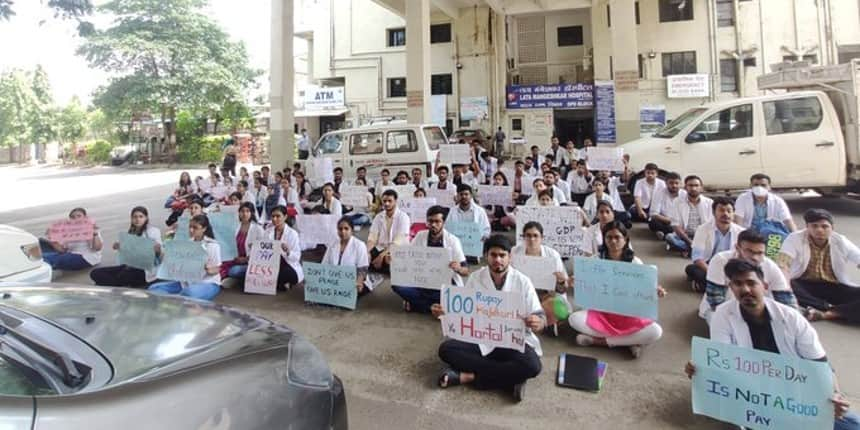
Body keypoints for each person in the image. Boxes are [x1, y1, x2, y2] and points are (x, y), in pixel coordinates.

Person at [684, 259, 859, 430]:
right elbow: (722, 362)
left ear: (765, 286)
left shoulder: (791, 318)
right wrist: (702, 371)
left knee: (852, 424)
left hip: (794, 394)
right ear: (731, 288)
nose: (745, 289)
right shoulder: (722, 315)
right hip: (751, 394)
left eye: (751, 283)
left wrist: (835, 395)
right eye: (737, 284)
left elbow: (820, 364)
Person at [435, 235, 545, 402]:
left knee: (533, 366)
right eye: (493, 255)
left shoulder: (523, 282)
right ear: (486, 256)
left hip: (511, 341)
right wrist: (445, 313)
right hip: (481, 338)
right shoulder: (476, 278)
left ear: (510, 257)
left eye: (502, 255)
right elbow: (464, 312)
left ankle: (470, 377)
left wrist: (538, 322)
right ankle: (510, 380)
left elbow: (539, 315)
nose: (498, 260)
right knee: (446, 350)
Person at [568, 221, 667, 358]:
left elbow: (645, 291)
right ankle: (629, 342)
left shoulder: (635, 262)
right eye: (609, 237)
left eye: (617, 237)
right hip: (601, 313)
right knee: (574, 319)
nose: (613, 241)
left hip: (628, 315)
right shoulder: (594, 261)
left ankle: (599, 342)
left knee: (656, 331)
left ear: (625, 240)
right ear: (604, 239)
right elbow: (586, 288)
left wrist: (655, 292)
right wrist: (576, 283)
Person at [777, 209, 860, 324]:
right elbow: (783, 264)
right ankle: (837, 310)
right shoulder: (794, 238)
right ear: (807, 227)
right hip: (803, 285)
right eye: (814, 226)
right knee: (785, 284)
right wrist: (786, 287)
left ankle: (825, 314)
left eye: (824, 226)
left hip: (833, 286)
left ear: (832, 228)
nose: (819, 230)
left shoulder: (841, 241)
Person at [698, 229, 798, 322]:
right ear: (737, 248)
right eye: (749, 251)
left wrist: (793, 321)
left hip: (755, 310)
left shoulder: (770, 266)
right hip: (718, 309)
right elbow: (715, 300)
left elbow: (786, 299)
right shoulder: (720, 260)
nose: (755, 257)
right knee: (728, 331)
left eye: (760, 253)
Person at [392, 205, 469, 313]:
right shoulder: (420, 236)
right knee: (397, 285)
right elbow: (409, 258)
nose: (433, 225)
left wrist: (458, 268)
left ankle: (417, 305)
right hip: (422, 282)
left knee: (453, 297)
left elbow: (466, 271)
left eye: (437, 221)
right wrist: (395, 259)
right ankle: (431, 308)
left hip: (443, 286)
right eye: (430, 221)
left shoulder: (453, 241)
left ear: (443, 222)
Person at [512, 222, 569, 334]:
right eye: (528, 235)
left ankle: (540, 321)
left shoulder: (552, 255)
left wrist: (561, 281)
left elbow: (563, 289)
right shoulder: (515, 252)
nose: (532, 239)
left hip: (546, 296)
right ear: (523, 237)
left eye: (535, 235)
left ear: (542, 238)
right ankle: (544, 323)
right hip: (522, 295)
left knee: (560, 309)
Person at [148, 214, 222, 301]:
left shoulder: (212, 246)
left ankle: (179, 301)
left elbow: (217, 269)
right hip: (186, 282)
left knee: (189, 292)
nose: (191, 230)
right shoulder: (188, 243)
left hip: (207, 282)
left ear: (204, 228)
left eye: (195, 228)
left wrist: (207, 269)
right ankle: (177, 301)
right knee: (153, 288)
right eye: (190, 227)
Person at [90, 206, 161, 287]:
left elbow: (159, 254)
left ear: (146, 218)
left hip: (144, 270)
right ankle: (115, 284)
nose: (138, 219)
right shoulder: (131, 232)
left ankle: (112, 284)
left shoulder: (153, 231)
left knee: (121, 276)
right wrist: (119, 247)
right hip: (129, 266)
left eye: (141, 216)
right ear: (131, 218)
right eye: (135, 217)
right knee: (95, 273)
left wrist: (156, 249)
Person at [685, 197, 745, 292]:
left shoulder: (741, 232)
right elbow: (697, 258)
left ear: (733, 213)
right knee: (691, 269)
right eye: (721, 210)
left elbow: (744, 257)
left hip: (730, 266)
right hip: (708, 265)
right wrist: (714, 272)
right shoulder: (703, 229)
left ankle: (705, 286)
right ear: (713, 213)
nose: (725, 214)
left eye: (729, 211)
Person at [366, 189, 411, 281]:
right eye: (384, 201)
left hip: (397, 249)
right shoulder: (379, 217)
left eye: (390, 201)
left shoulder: (403, 217)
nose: (386, 204)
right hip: (380, 247)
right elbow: (372, 237)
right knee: (363, 257)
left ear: (396, 201)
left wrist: (381, 256)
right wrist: (366, 252)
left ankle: (383, 267)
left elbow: (397, 242)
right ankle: (381, 267)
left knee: (388, 259)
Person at [39, 207, 103, 272]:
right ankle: (47, 263)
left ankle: (44, 268)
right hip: (70, 254)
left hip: (86, 258)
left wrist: (95, 234)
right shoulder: (69, 231)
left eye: (79, 216)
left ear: (85, 217)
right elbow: (62, 250)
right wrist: (51, 239)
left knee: (48, 259)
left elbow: (97, 248)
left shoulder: (90, 228)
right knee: (41, 246)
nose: (76, 218)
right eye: (73, 217)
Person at [666, 175, 713, 257]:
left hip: (703, 236)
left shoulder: (709, 203)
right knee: (670, 237)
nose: (693, 188)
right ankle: (697, 250)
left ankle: (689, 250)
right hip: (685, 236)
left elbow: (712, 224)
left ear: (701, 188)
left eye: (696, 185)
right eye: (690, 185)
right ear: (685, 187)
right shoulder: (677, 202)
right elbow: (675, 225)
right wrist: (689, 242)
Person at [322, 217, 371, 296]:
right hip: (335, 280)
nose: (343, 231)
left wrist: (359, 281)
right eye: (340, 229)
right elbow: (324, 264)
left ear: (352, 230)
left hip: (354, 280)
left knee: (349, 293)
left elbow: (363, 268)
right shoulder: (332, 244)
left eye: (346, 228)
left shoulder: (359, 245)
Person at [220, 202, 265, 286]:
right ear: (239, 213)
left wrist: (246, 259)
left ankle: (237, 280)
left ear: (252, 213)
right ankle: (230, 279)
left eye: (248, 211)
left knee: (234, 271)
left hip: (249, 262)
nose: (244, 214)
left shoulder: (258, 229)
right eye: (242, 211)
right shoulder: (235, 226)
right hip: (234, 259)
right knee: (219, 266)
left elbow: (262, 251)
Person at [263, 205, 303, 289]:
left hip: (287, 264)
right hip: (271, 263)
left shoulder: (292, 234)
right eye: (273, 216)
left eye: (278, 216)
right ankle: (280, 283)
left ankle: (280, 283)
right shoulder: (268, 232)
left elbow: (297, 257)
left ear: (285, 217)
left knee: (288, 273)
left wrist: (288, 252)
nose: (274, 219)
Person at [648, 171, 685, 239]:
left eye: (677, 183)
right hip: (664, 221)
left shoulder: (685, 194)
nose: (674, 185)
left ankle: (665, 234)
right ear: (666, 183)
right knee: (653, 222)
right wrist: (670, 221)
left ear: (680, 183)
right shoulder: (659, 193)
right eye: (671, 183)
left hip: (680, 222)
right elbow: (653, 213)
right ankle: (672, 234)